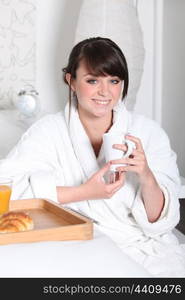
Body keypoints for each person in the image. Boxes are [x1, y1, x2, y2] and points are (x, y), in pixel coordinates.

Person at [0, 37, 185, 277]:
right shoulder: (48, 131)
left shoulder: (148, 133)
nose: (104, 92)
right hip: (76, 245)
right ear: (72, 82)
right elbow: (6, 190)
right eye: (92, 80)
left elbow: (162, 222)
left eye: (114, 81)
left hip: (143, 250)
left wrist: (146, 176)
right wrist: (84, 192)